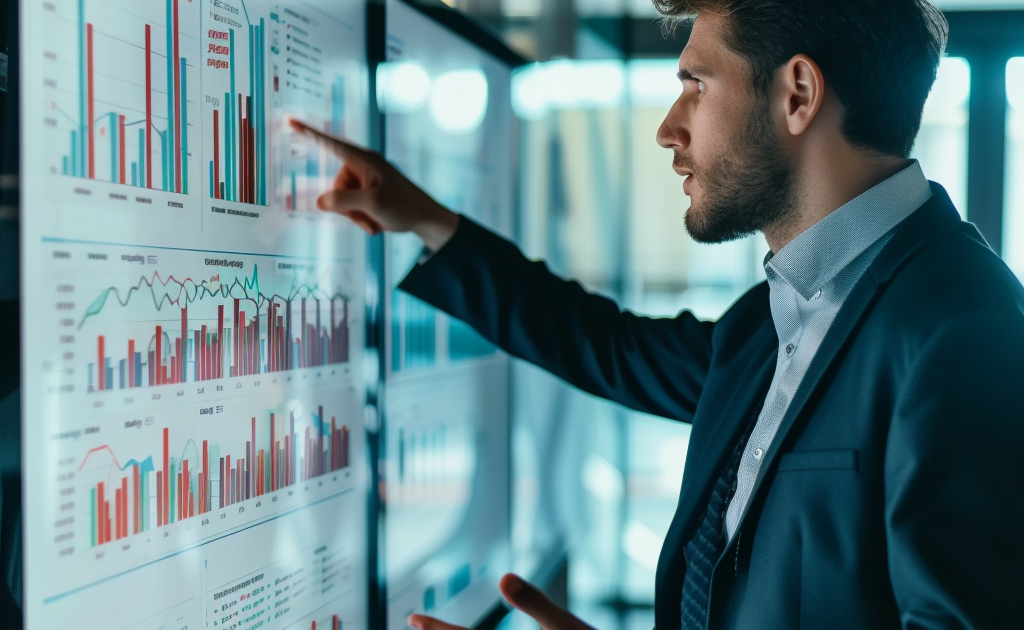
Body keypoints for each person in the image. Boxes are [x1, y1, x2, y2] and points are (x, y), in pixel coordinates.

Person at [292, 0, 1024, 627]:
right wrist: (424, 219)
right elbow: (607, 346)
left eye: (696, 85)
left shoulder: (968, 333)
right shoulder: (777, 318)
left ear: (798, 94)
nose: (669, 127)